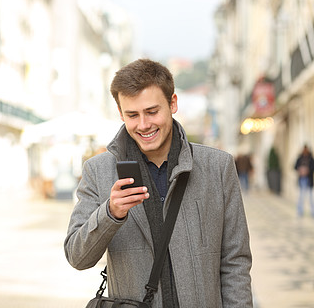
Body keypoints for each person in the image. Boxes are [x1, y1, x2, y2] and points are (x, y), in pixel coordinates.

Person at [64, 59, 252, 307]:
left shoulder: (218, 167)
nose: (144, 125)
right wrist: (110, 213)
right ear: (120, 113)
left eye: (152, 111)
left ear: (173, 103)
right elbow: (78, 257)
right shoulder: (97, 171)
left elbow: (235, 262)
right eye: (132, 115)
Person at [294, 144, 314, 218]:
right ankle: (300, 210)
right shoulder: (300, 158)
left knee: (310, 197)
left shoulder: (310, 158)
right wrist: (300, 169)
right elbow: (295, 166)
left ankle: (312, 211)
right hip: (302, 179)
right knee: (301, 196)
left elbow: (312, 167)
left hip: (309, 179)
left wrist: (308, 170)